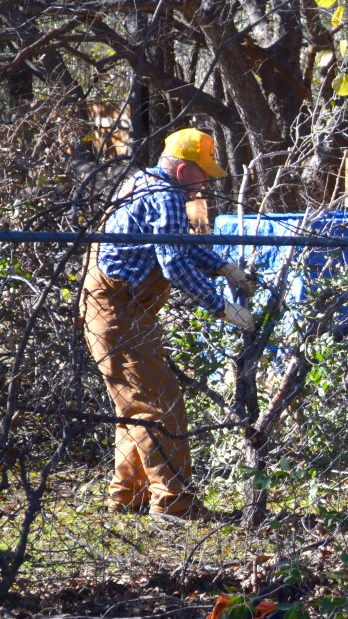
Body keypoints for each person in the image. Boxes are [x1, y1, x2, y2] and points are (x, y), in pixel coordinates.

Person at [81, 128, 255, 520]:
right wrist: (222, 308)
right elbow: (174, 263)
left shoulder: (142, 184)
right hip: (117, 311)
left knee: (135, 405)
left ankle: (128, 497)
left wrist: (223, 267)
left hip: (116, 309)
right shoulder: (166, 196)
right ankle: (174, 504)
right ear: (181, 172)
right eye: (203, 172)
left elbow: (179, 245)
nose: (209, 181)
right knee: (160, 408)